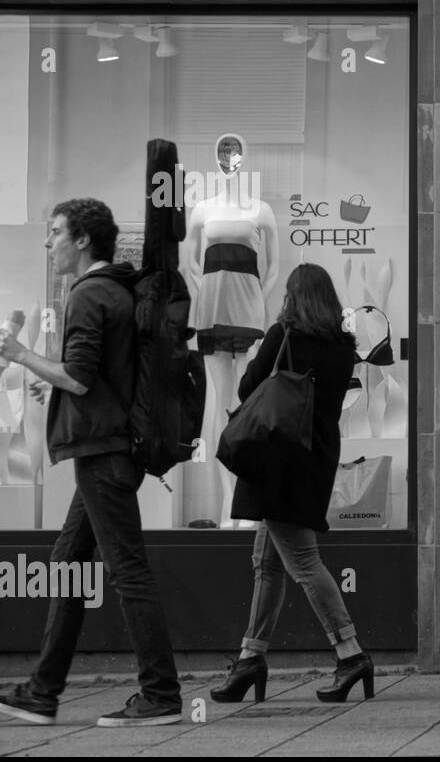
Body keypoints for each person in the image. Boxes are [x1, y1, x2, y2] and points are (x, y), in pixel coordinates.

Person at [0, 198, 183, 727]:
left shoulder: (88, 294)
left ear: (82, 240)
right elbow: (98, 376)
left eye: (55, 232)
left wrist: (20, 354)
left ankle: (162, 694)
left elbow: (79, 377)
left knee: (128, 572)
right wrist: (49, 382)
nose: (48, 241)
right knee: (67, 565)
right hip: (108, 447)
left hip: (102, 453)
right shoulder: (117, 290)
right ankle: (42, 691)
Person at [209, 262, 374, 704]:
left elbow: (248, 389)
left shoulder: (284, 335)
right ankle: (250, 659)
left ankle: (350, 652)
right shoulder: (343, 347)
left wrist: (266, 345)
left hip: (279, 462)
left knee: (303, 562)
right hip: (314, 459)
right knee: (267, 563)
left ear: (293, 296)